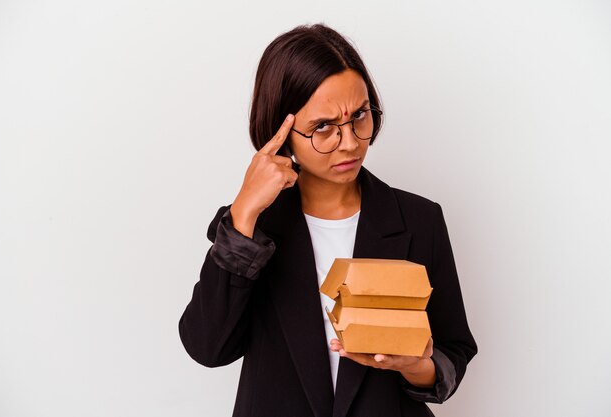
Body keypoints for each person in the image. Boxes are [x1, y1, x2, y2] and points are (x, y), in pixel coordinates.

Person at [179, 24, 477, 417]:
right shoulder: (248, 229)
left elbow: (453, 349)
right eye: (323, 127)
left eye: (360, 116)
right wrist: (246, 211)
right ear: (281, 132)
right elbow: (208, 348)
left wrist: (417, 367)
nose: (351, 142)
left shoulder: (420, 220)